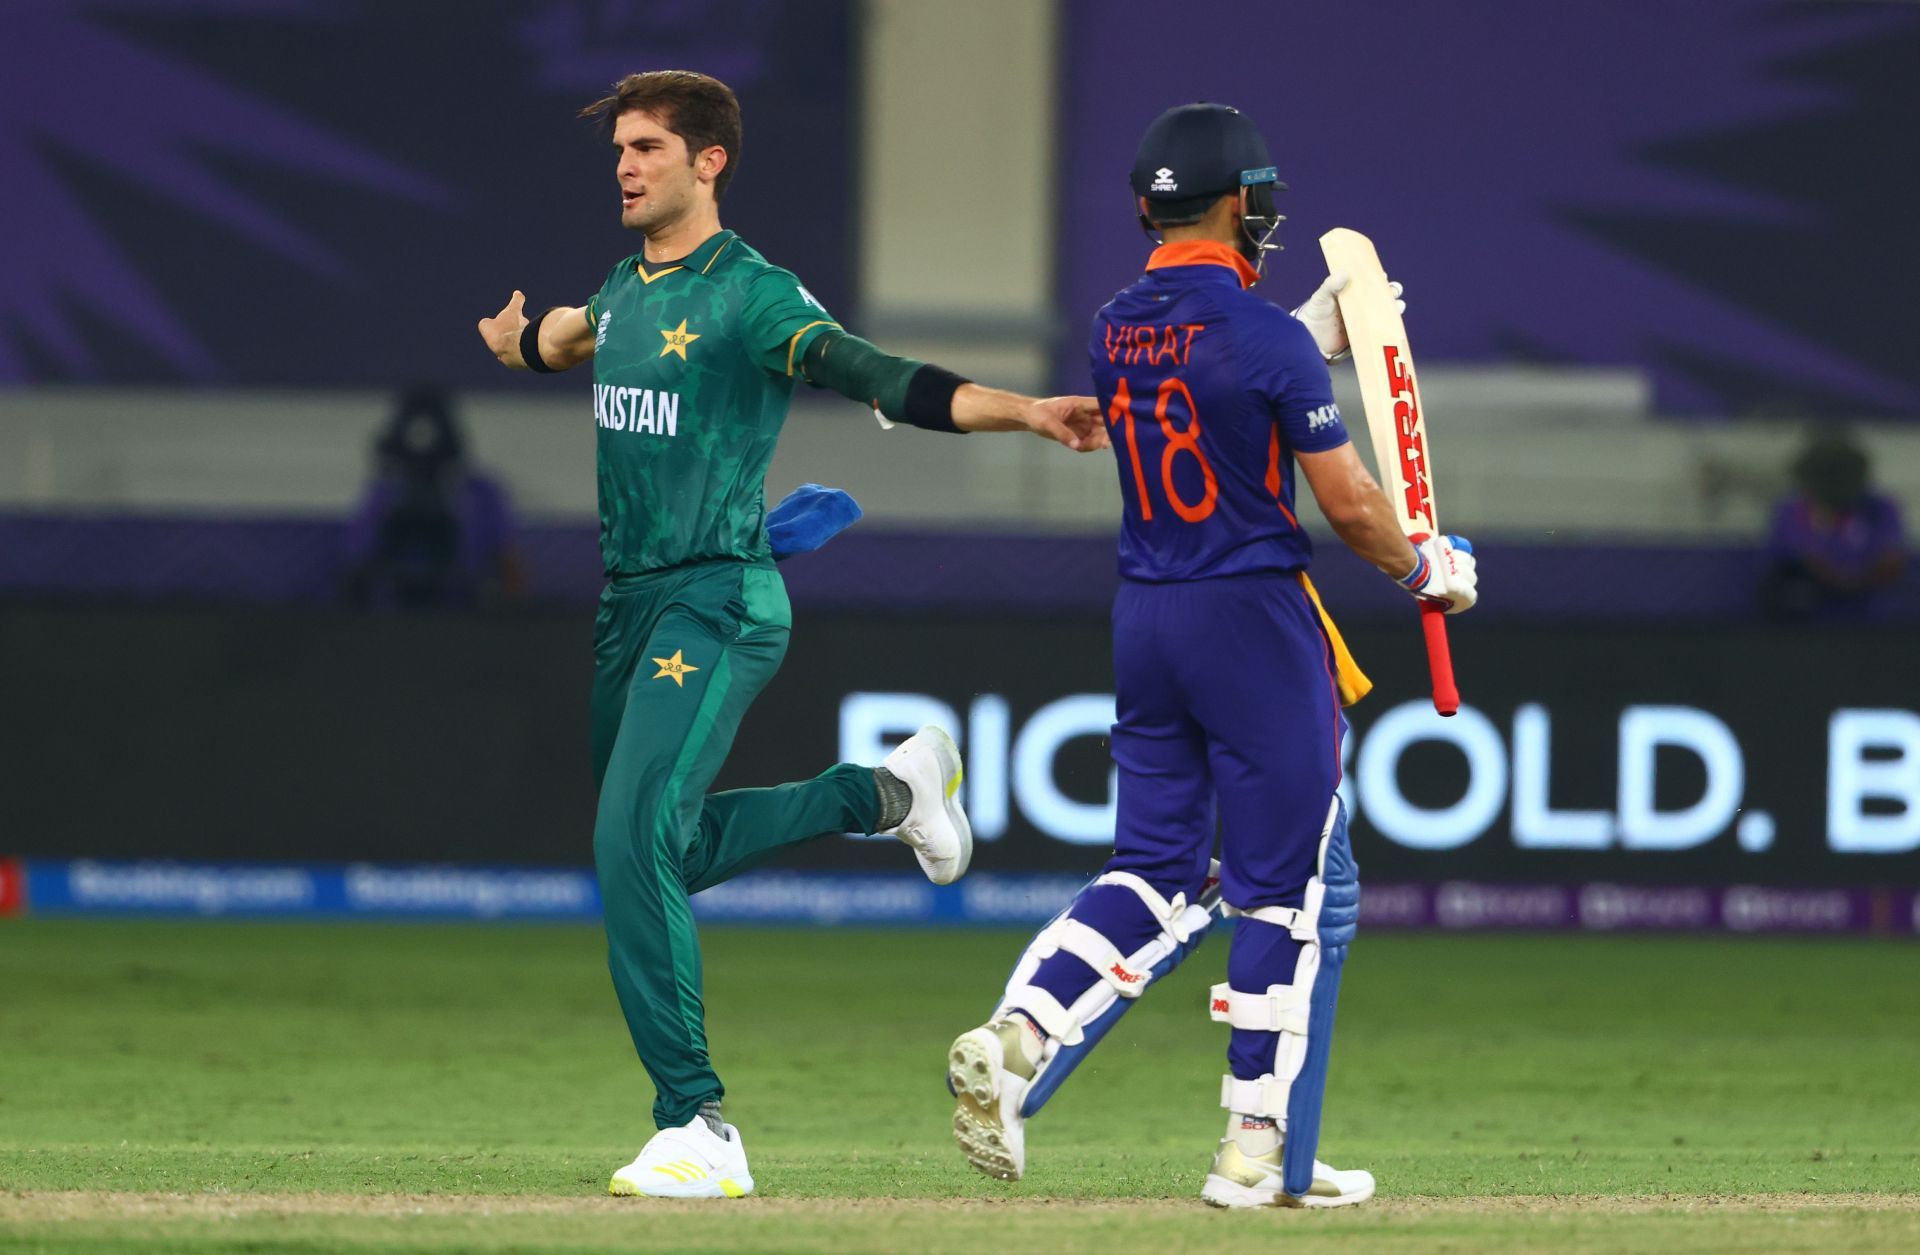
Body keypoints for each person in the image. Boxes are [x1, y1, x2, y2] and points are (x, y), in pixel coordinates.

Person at [474, 69, 1103, 1200]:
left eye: (649, 147)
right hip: (630, 607)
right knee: (666, 847)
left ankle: (698, 1127)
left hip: (718, 600)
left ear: (710, 161)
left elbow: (874, 374)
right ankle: (889, 794)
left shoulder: (753, 296)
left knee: (628, 841)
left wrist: (1027, 410)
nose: (625, 165)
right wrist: (519, 346)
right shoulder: (623, 288)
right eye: (619, 148)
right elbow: (574, 339)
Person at [944, 103, 1479, 1209]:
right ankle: (1252, 1147)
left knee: (1151, 867)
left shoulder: (1112, 326)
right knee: (1278, 893)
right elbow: (1352, 506)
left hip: (1148, 617)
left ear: (1148, 206)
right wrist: (1432, 573)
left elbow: (1207, 367)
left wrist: (1311, 337)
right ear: (1245, 205)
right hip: (1255, 623)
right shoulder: (1267, 342)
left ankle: (1022, 1027)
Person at [341, 386, 524, 609]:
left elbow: (510, 565)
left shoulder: (480, 494)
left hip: (463, 615)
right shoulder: (384, 493)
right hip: (392, 617)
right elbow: (356, 563)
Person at [1760, 427, 1905, 619]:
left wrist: (1856, 583)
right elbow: (1796, 562)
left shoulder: (1881, 508)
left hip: (1872, 620)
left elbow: (1891, 563)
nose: (1833, 481)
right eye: (1825, 472)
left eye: (1841, 471)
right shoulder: (1791, 510)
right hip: (1806, 622)